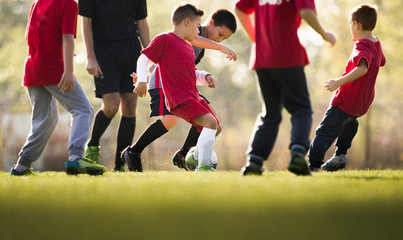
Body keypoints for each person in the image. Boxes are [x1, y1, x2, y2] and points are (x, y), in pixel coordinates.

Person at [120, 9, 237, 172]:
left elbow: (184, 67)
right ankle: (136, 151)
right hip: (165, 84)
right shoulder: (190, 37)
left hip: (184, 86)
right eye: (221, 34)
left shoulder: (190, 42)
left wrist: (204, 76)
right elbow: (157, 56)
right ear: (209, 23)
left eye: (223, 38)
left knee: (211, 119)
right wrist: (142, 77)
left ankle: (186, 154)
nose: (220, 39)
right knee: (172, 119)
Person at [235, 0, 336, 176]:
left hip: (262, 58)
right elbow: (306, 12)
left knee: (270, 113)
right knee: (301, 109)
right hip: (288, 55)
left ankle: (254, 161)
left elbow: (239, 8)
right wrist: (325, 34)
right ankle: (297, 154)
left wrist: (256, 39)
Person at [10, 0, 106, 176]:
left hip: (32, 67)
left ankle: (21, 166)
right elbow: (67, 37)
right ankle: (76, 157)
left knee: (46, 120)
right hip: (53, 68)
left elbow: (29, 35)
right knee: (83, 109)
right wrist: (68, 70)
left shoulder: (37, 2)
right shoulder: (69, 3)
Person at [308, 4, 385, 172]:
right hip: (361, 103)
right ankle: (340, 155)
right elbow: (381, 61)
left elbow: (362, 68)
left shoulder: (361, 45)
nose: (351, 28)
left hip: (345, 99)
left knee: (325, 130)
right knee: (350, 123)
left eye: (351, 25)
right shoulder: (376, 43)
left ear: (356, 25)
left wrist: (338, 82)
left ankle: (313, 165)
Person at [79, 0, 151, 171]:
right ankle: (93, 144)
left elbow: (141, 22)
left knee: (130, 106)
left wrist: (150, 56)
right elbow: (86, 22)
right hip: (104, 51)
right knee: (111, 105)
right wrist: (90, 57)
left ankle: (120, 165)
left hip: (131, 50)